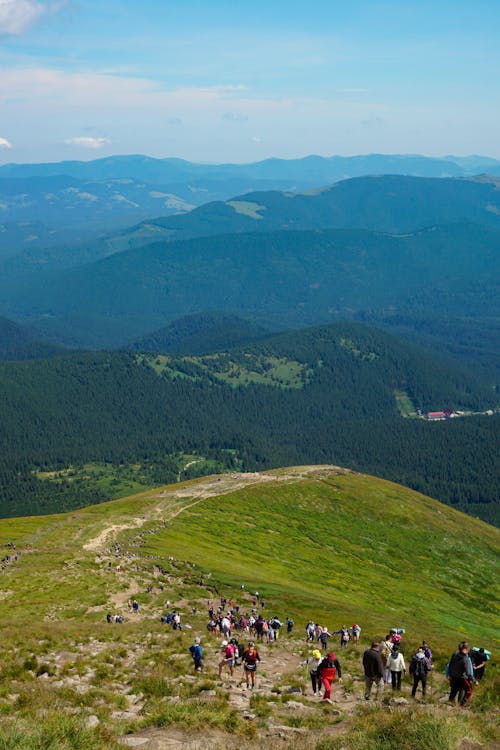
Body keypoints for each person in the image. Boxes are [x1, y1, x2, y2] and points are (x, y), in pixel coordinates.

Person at [448, 642, 475, 706]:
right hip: (462, 677)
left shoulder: (455, 654)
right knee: (469, 690)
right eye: (468, 648)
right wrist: (474, 680)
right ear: (464, 649)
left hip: (454, 676)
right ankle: (461, 705)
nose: (469, 649)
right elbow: (468, 672)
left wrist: (450, 674)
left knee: (454, 690)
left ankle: (450, 702)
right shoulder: (465, 659)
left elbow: (450, 665)